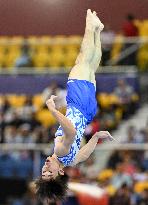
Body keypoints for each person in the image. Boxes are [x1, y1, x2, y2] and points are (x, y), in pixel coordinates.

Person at [36, 9, 115, 202]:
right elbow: (70, 132)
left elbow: (85, 154)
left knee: (90, 67)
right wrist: (53, 110)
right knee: (82, 59)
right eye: (49, 173)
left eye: (43, 173)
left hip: (88, 111)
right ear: (60, 173)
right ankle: (91, 23)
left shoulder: (71, 160)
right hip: (78, 104)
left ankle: (97, 30)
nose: (45, 168)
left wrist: (96, 136)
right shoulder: (60, 152)